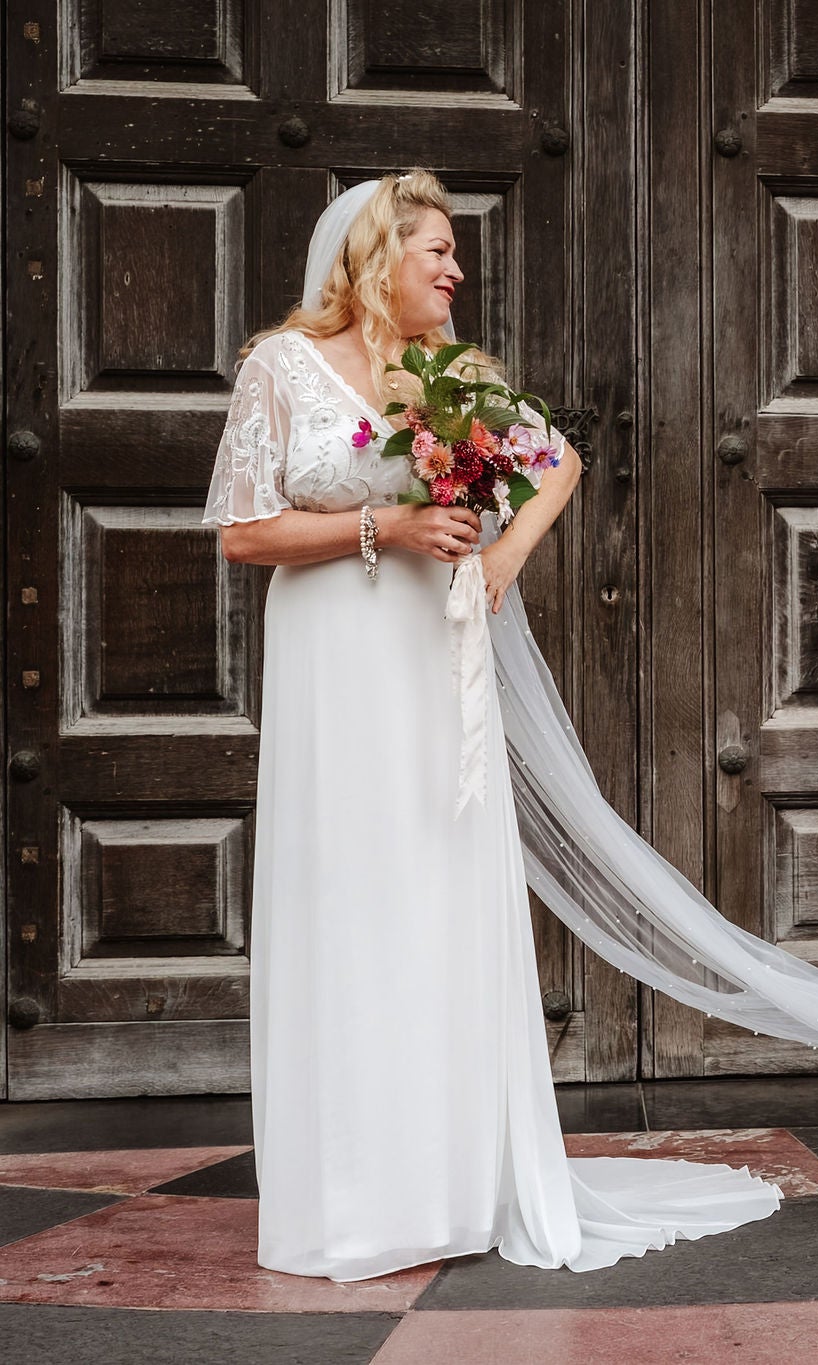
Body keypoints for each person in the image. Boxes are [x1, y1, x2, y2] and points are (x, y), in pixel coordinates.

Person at [206, 170, 780, 1280]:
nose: (456, 271)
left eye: (455, 252)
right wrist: (389, 522)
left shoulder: (456, 375)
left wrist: (502, 558)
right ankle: (353, 1193)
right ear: (377, 257)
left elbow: (555, 462)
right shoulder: (281, 366)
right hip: (334, 652)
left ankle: (454, 1182)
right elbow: (243, 534)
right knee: (343, 890)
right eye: (436, 251)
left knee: (432, 885)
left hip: (432, 654)